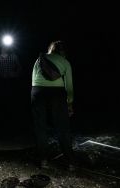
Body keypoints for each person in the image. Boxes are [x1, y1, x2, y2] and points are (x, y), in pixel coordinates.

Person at [31, 40, 75, 170]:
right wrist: (70, 104)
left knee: (40, 127)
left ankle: (43, 160)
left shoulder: (40, 59)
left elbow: (33, 79)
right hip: (57, 94)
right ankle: (71, 162)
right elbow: (69, 86)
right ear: (63, 51)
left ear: (50, 49)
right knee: (62, 127)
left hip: (37, 92)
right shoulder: (65, 62)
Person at [0, 46, 23, 138]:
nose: (4, 47)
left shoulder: (13, 56)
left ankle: (11, 132)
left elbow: (19, 68)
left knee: (10, 106)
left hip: (10, 83)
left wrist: (15, 74)